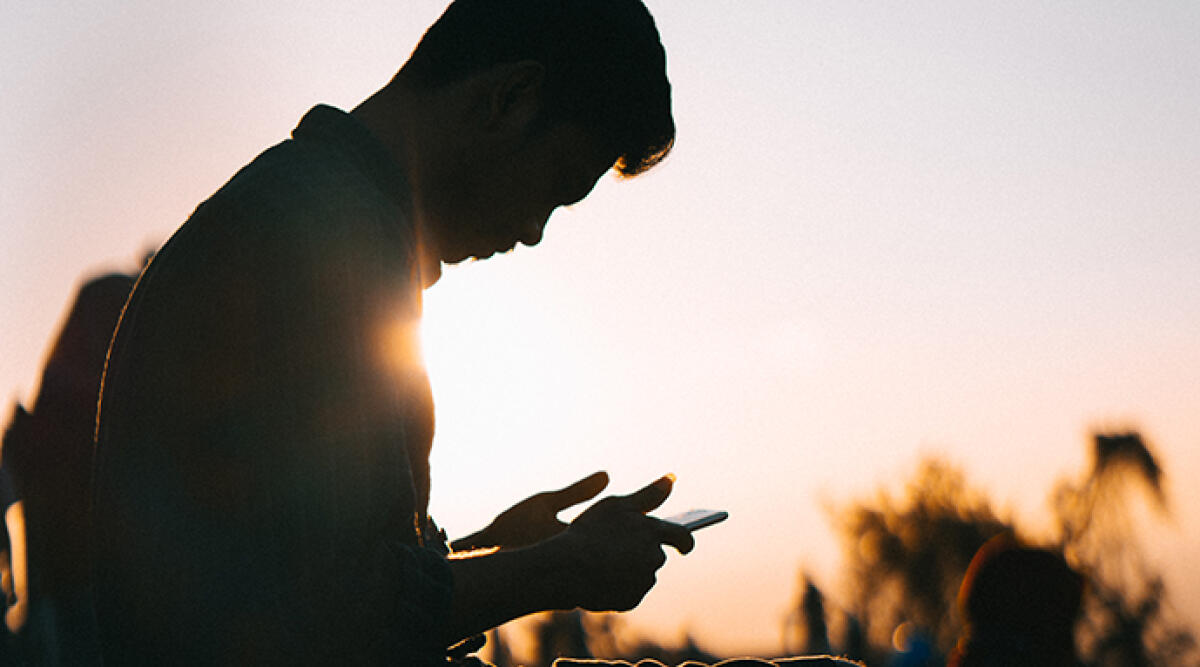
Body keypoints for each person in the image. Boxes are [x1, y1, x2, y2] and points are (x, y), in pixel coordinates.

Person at [92, 0, 694, 664]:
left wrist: (493, 549)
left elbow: (285, 575)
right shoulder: (324, 242)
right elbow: (339, 613)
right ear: (511, 98)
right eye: (555, 186)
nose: (532, 232)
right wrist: (561, 569)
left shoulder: (310, 211)